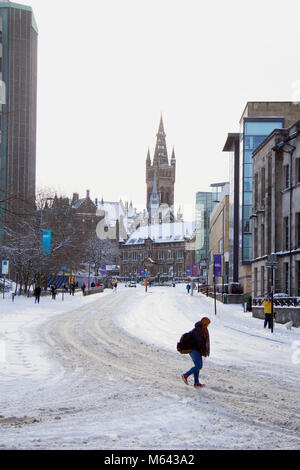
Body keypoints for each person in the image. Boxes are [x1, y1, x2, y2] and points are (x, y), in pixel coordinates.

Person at [181, 317, 211, 388]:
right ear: (204, 323)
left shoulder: (201, 329)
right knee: (199, 366)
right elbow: (199, 341)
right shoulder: (199, 329)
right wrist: (203, 350)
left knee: (197, 366)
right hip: (194, 350)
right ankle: (185, 375)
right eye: (207, 324)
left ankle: (196, 382)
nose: (208, 325)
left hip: (196, 350)